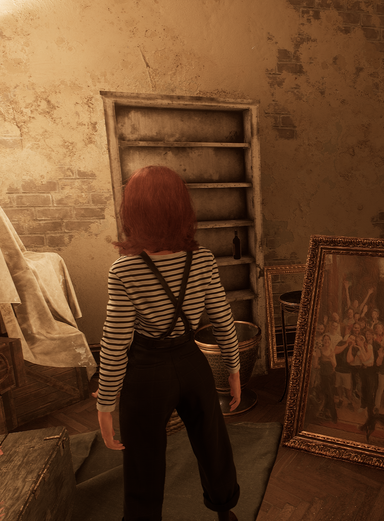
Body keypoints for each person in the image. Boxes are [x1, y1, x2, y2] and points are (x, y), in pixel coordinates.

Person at [95, 166, 241, 521]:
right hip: (192, 364)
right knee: (213, 444)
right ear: (181, 208)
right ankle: (225, 511)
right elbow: (222, 318)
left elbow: (115, 341)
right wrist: (234, 369)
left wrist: (105, 403)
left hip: (147, 373)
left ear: (133, 211)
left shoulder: (124, 270)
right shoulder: (203, 259)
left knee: (143, 458)